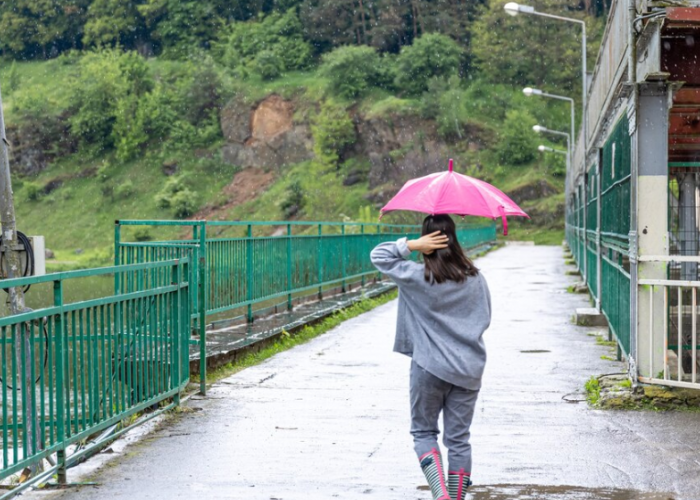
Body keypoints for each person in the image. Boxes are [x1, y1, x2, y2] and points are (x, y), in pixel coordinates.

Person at [370, 214, 491, 500]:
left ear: (428, 242)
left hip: (428, 368)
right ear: (455, 238)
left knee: (424, 432)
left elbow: (379, 256)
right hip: (469, 370)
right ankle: (456, 496)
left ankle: (441, 495)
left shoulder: (416, 276)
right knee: (459, 440)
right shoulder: (476, 279)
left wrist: (411, 245)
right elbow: (484, 318)